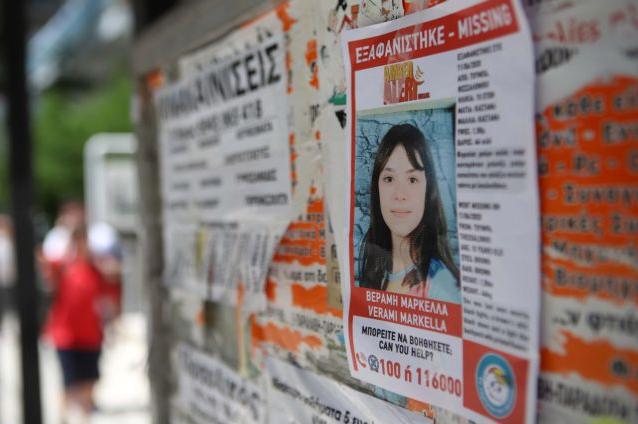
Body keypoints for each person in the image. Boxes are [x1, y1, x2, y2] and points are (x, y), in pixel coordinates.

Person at [358, 123, 460, 303]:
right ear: (377, 188)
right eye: (389, 178)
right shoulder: (374, 268)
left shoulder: (441, 287)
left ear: (428, 191)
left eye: (412, 179)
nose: (400, 195)